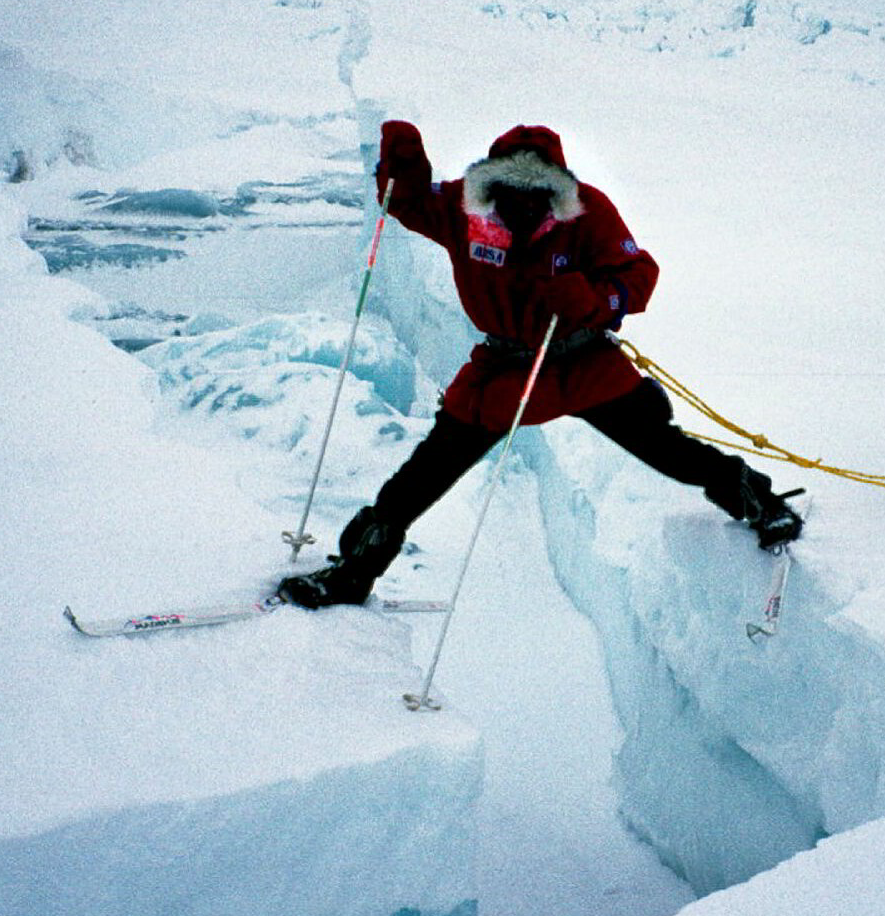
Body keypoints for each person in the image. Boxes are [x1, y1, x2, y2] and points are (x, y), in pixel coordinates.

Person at [275, 120, 802, 609]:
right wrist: (406, 169)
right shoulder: (466, 208)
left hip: (583, 364)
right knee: (423, 476)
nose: (523, 199)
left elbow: (639, 275)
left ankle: (760, 500)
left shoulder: (588, 211)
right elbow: (408, 204)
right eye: (510, 186)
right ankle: (353, 574)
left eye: (537, 187)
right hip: (503, 374)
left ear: (556, 184)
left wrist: (596, 300)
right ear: (492, 182)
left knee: (665, 449)